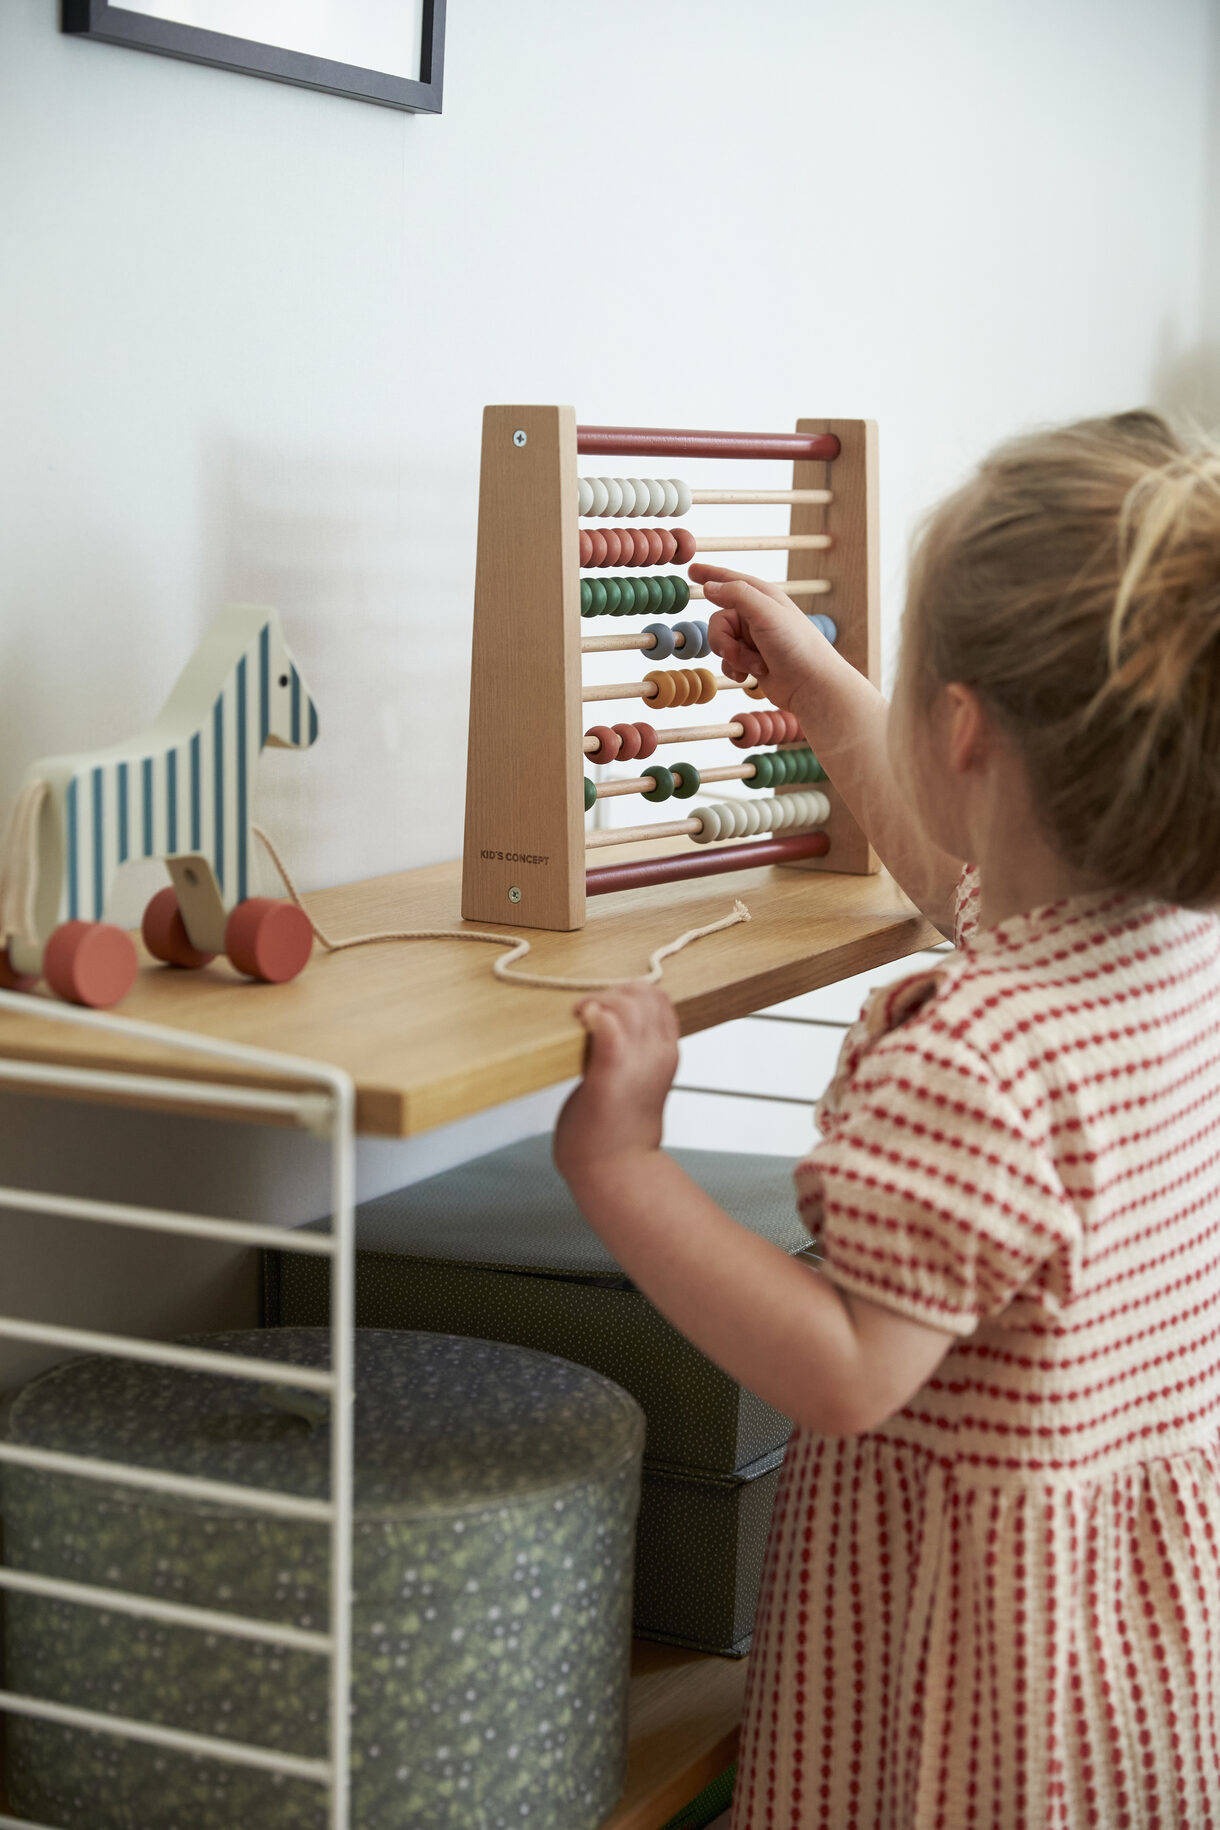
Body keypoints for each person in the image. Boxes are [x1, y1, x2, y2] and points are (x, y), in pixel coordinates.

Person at [554, 410, 1220, 1827]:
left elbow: (851, 1369)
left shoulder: (975, 1054)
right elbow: (953, 865)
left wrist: (623, 1165)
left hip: (976, 1684)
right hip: (1133, 1639)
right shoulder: (1161, 950)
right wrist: (822, 690)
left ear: (963, 728)